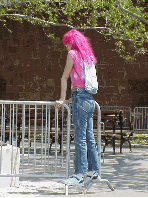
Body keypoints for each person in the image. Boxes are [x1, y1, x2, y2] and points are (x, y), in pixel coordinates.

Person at [54, 29, 100, 185]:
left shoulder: (72, 54)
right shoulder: (88, 57)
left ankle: (79, 174)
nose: (66, 47)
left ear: (70, 42)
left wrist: (61, 98)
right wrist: (70, 98)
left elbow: (64, 77)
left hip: (80, 99)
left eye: (66, 43)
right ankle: (94, 171)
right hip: (88, 99)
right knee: (89, 137)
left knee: (80, 138)